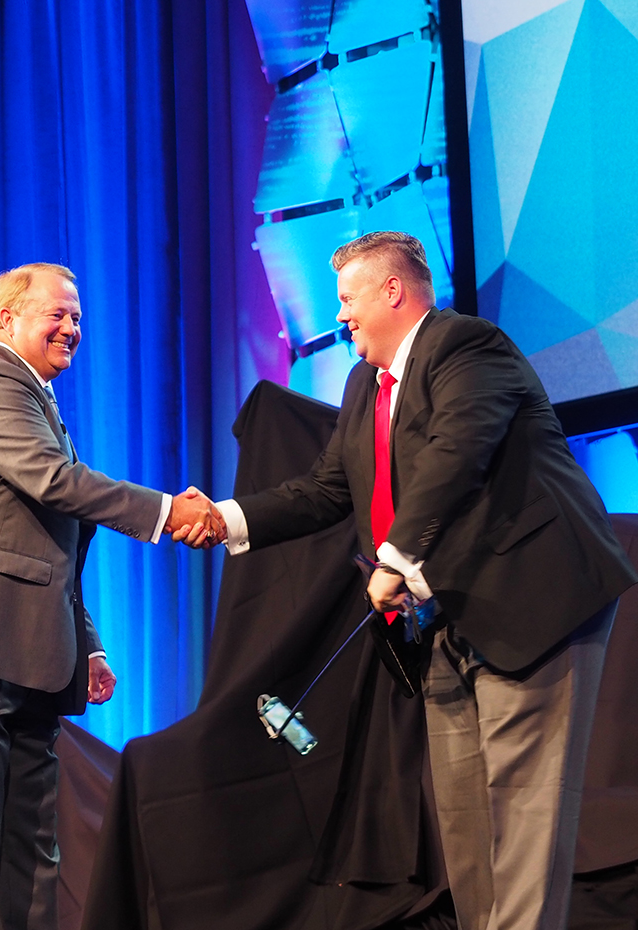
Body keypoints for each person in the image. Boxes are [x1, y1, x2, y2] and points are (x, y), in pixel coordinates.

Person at [177, 231, 637, 930]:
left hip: (532, 604)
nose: (340, 316)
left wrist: (394, 560)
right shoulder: (365, 385)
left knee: (524, 816)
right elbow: (326, 489)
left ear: (393, 290)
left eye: (347, 298)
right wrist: (226, 517)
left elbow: (459, 450)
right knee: (465, 826)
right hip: (444, 624)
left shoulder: (467, 346)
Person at [0, 262, 224, 930]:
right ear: (6, 319)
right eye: (58, 313)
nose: (72, 327)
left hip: (30, 658)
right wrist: (167, 511)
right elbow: (56, 483)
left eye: (78, 316)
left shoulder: (39, 402)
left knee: (33, 863)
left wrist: (87, 644)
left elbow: (47, 546)